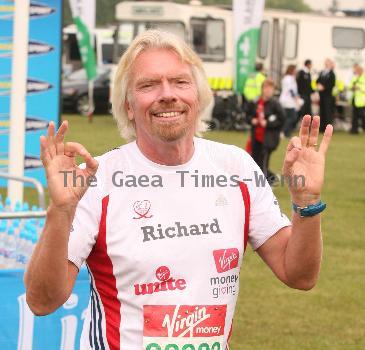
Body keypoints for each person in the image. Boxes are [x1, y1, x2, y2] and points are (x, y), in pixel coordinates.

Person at [24, 30, 333, 349]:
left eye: (180, 82)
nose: (167, 94)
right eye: (148, 85)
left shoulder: (236, 167)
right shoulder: (97, 178)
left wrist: (306, 203)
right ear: (129, 106)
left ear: (198, 96)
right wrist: (60, 211)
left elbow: (300, 275)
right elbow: (42, 301)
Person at [247, 78, 285, 184]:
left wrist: (268, 123)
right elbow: (247, 115)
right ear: (262, 89)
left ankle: (263, 185)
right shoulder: (255, 102)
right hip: (256, 137)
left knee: (263, 162)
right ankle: (272, 178)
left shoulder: (275, 104)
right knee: (255, 162)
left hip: (268, 139)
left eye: (271, 89)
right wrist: (252, 120)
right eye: (267, 88)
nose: (268, 91)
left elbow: (282, 119)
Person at [280, 64, 300, 137]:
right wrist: (296, 98)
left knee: (288, 117)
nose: (296, 71)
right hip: (288, 100)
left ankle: (286, 133)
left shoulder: (287, 78)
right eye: (295, 70)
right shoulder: (289, 78)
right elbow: (290, 89)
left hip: (286, 100)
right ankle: (284, 131)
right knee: (292, 117)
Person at [317, 59, 336, 132]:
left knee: (328, 113)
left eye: (328, 63)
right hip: (321, 96)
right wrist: (318, 84)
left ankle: (328, 129)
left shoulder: (332, 73)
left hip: (328, 96)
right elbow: (318, 80)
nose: (326, 64)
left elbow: (332, 84)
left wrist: (324, 87)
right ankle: (322, 128)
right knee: (322, 112)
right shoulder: (322, 72)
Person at [348, 63, 365, 134]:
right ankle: (354, 130)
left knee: (362, 115)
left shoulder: (364, 78)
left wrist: (359, 87)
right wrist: (352, 87)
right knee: (354, 116)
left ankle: (363, 127)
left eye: (359, 70)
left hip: (362, 101)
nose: (357, 72)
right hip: (354, 100)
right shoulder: (354, 78)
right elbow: (349, 86)